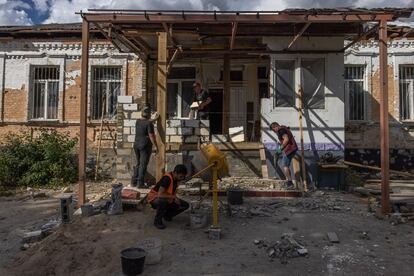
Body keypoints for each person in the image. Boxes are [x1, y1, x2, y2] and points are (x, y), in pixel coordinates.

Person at [147, 164, 190, 229]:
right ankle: (157, 221)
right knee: (162, 201)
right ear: (175, 173)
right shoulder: (167, 179)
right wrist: (174, 197)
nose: (182, 179)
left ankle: (167, 215)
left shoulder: (176, 179)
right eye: (181, 176)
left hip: (167, 198)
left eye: (183, 177)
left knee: (185, 205)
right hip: (154, 198)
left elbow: (170, 192)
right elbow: (160, 194)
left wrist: (174, 198)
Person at [131, 105, 159, 188]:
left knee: (139, 163)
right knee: (143, 165)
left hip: (136, 145)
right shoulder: (149, 123)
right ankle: (140, 184)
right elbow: (151, 136)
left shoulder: (138, 121)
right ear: (149, 114)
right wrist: (156, 146)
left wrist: (155, 119)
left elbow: (146, 122)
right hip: (145, 146)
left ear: (142, 114)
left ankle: (134, 182)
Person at [270, 122, 298, 189]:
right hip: (292, 148)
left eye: (274, 130)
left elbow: (286, 140)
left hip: (289, 149)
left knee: (285, 165)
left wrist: (279, 150)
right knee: (286, 165)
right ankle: (289, 182)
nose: (275, 132)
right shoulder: (284, 128)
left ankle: (290, 183)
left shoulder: (281, 130)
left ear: (275, 127)